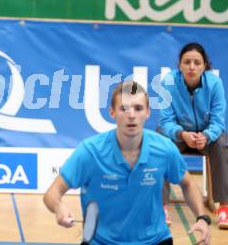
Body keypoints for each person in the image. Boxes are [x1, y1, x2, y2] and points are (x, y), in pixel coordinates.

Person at [43, 81, 211, 245]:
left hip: (155, 240)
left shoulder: (164, 149)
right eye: (124, 108)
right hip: (100, 241)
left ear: (148, 112)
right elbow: (52, 194)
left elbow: (187, 183)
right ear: (112, 112)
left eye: (138, 108)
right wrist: (59, 208)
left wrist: (202, 218)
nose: (131, 115)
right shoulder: (90, 151)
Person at [159, 42, 228, 229]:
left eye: (197, 62)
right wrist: (182, 133)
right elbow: (165, 120)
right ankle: (161, 205)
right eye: (187, 62)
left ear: (204, 65)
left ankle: (224, 207)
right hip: (178, 135)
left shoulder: (215, 84)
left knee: (222, 142)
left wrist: (206, 135)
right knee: (161, 143)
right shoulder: (168, 82)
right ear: (179, 65)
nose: (191, 67)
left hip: (205, 137)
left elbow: (218, 121)